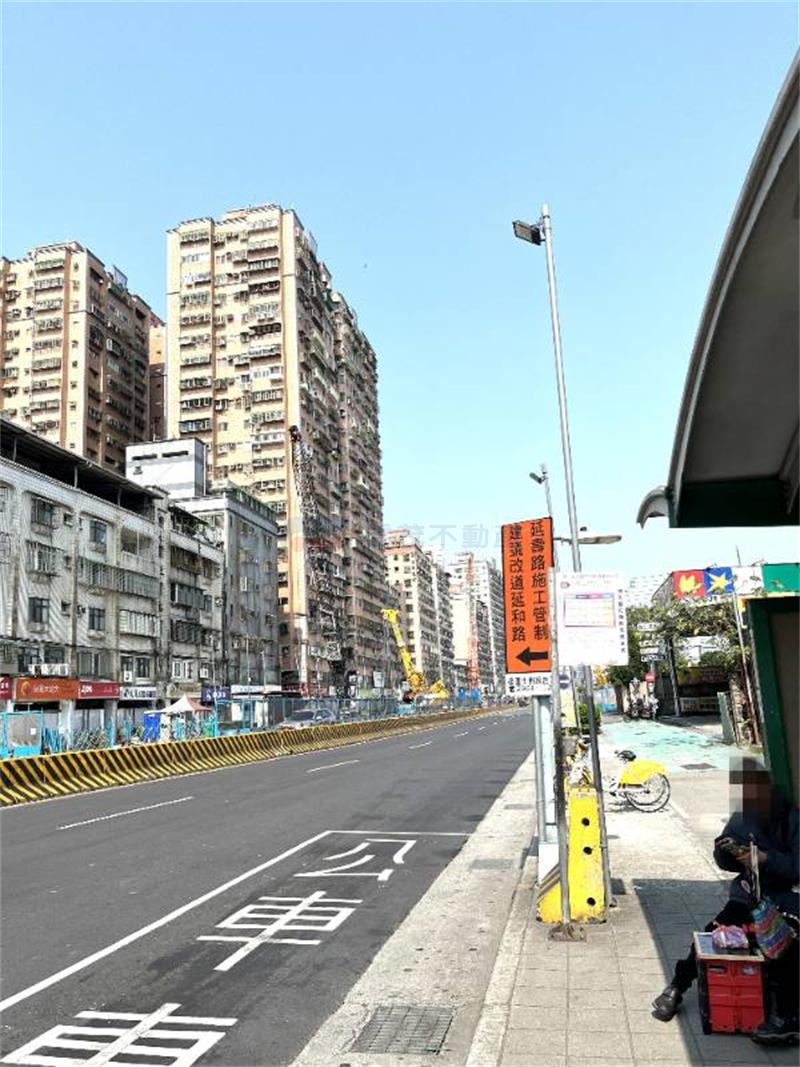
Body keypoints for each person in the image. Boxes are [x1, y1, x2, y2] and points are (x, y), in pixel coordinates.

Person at [652, 758, 798, 1045]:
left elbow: (796, 868)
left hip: (785, 899)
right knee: (713, 932)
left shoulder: (793, 819)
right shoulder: (743, 818)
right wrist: (725, 852)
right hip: (748, 896)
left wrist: (767, 859)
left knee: (783, 943)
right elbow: (727, 863)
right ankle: (676, 988)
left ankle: (786, 1018)